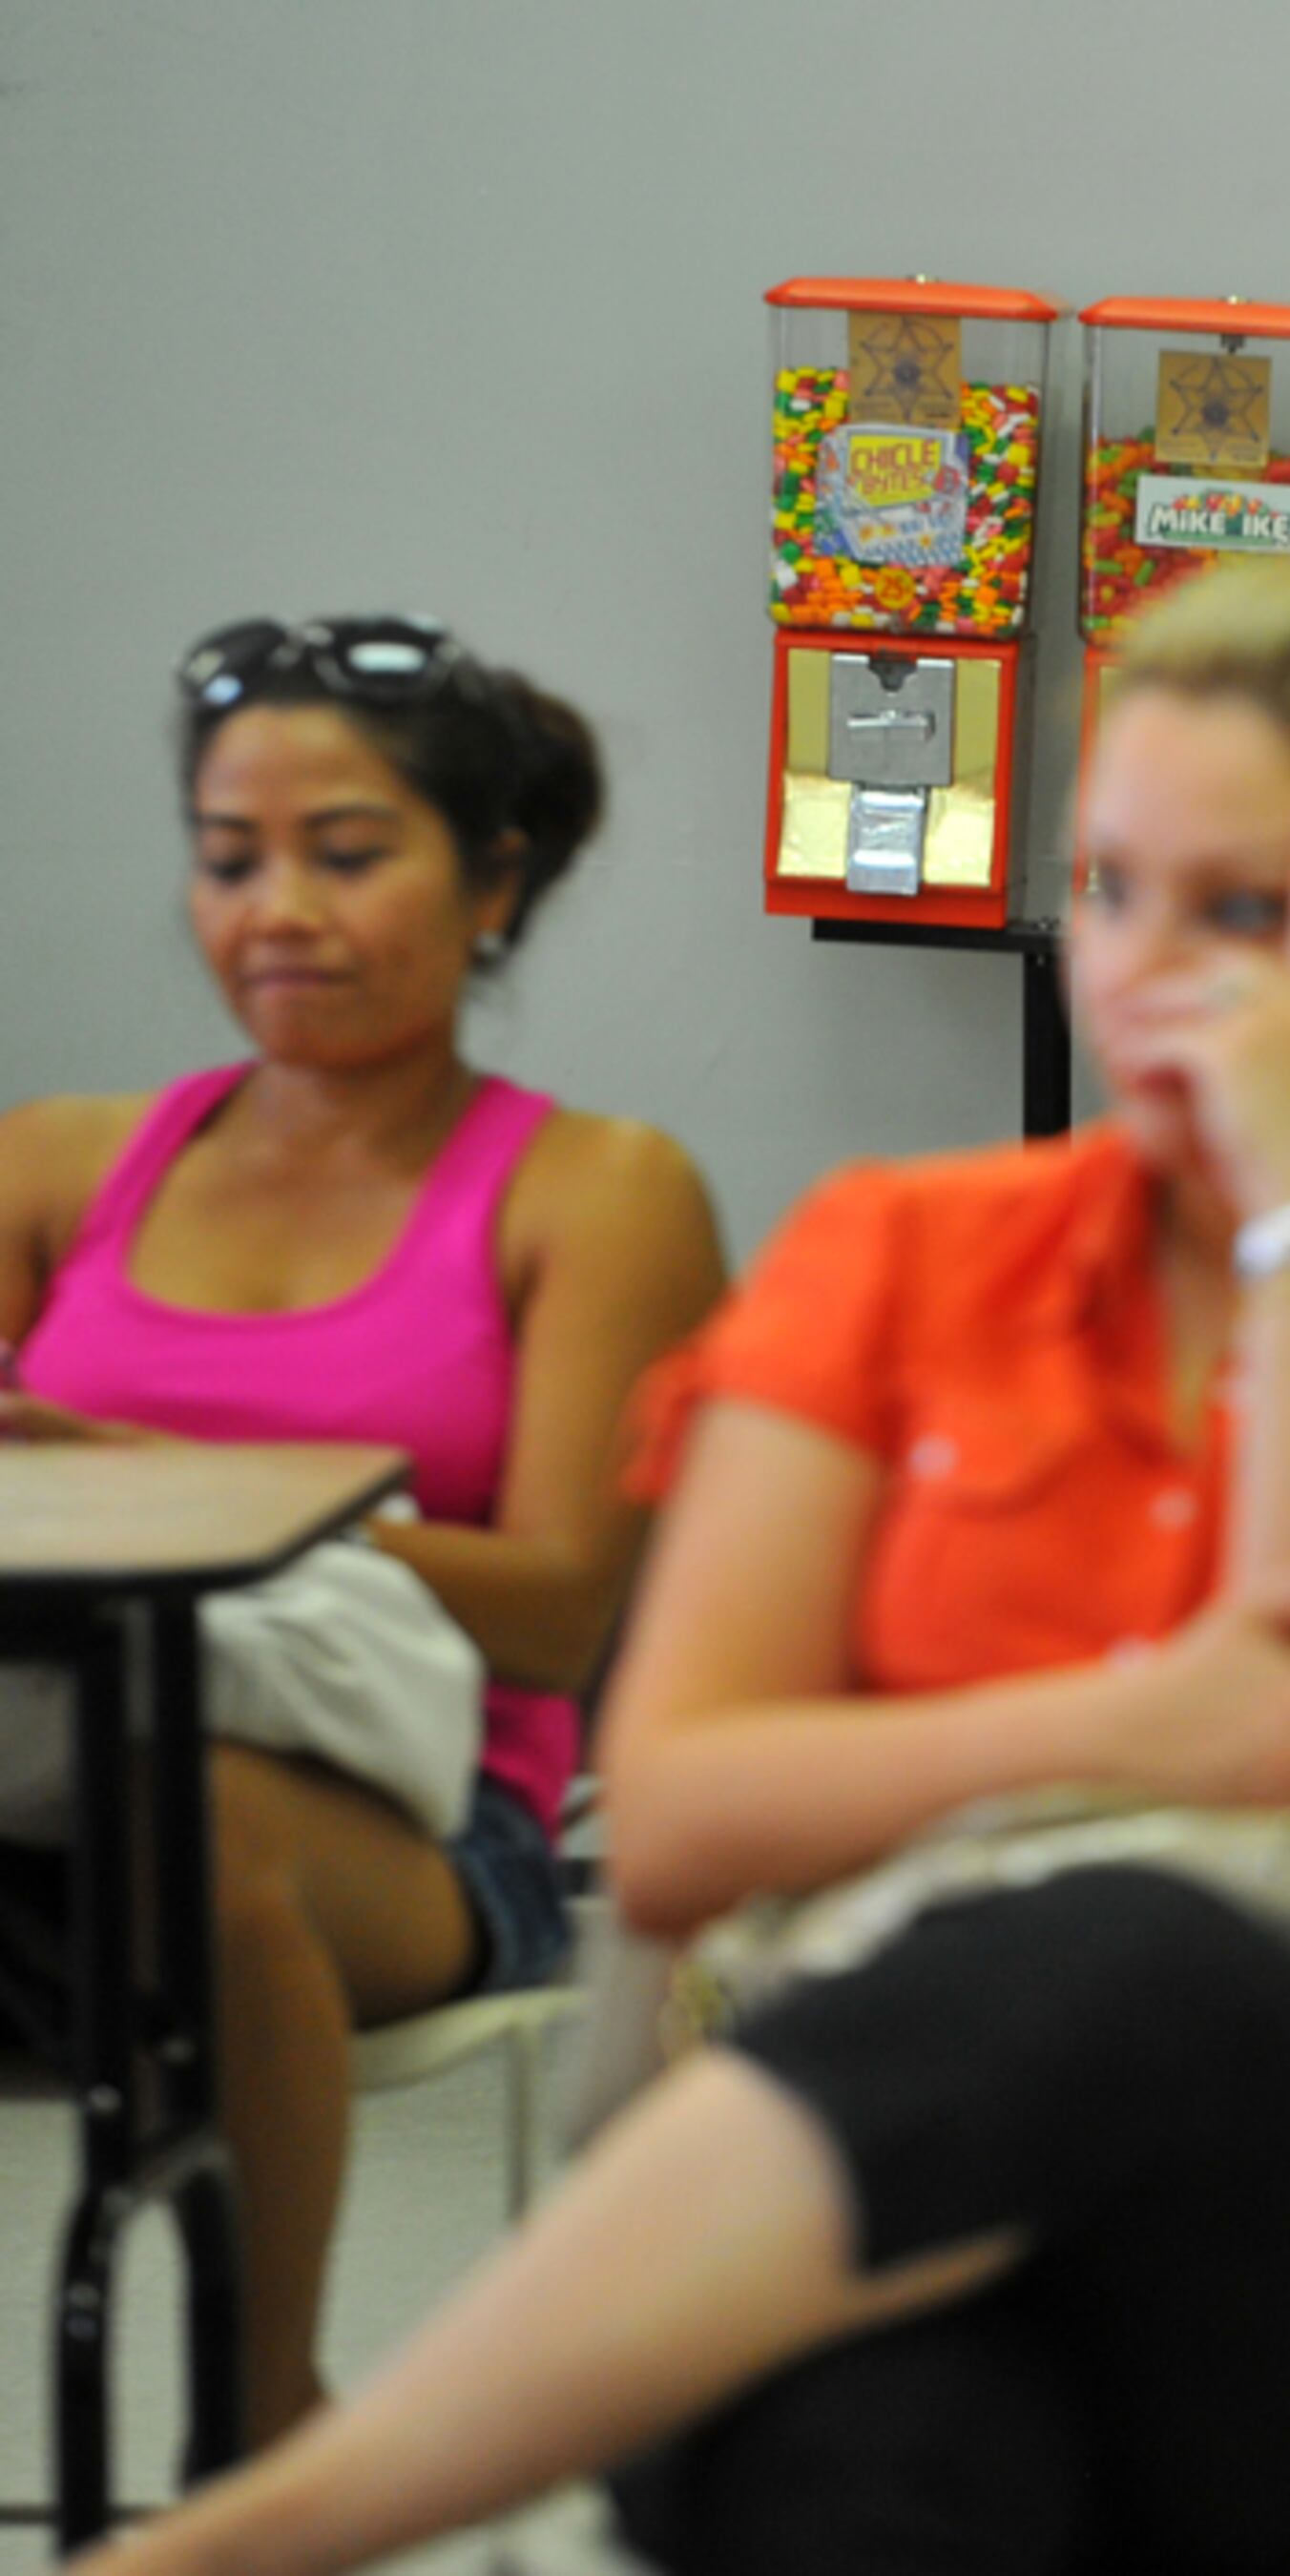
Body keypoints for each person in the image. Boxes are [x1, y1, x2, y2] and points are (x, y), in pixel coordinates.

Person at [79, 551, 1290, 2576]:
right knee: (863, 2442)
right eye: (1115, 891)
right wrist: (1151, 1720)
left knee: (1132, 1945)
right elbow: (693, 1809)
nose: (1155, 971)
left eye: (1247, 912)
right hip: (902, 2207)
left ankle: (257, 2538)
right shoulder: (900, 1253)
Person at [0, 614, 724, 2441]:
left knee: (193, 1802)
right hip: (43, 1778)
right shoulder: (60, 1164)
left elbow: (564, 1611)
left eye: (347, 854)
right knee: (135, 1775)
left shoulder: (598, 1192)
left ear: (494, 882)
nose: (277, 915)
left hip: (422, 1823)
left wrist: (138, 1477)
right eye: (230, 861)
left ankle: (263, 2426)